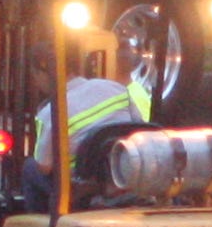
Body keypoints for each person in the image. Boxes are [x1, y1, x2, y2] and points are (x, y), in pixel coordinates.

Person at [29, 68, 154, 203]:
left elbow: (44, 167)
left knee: (29, 168)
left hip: (83, 188)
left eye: (35, 75)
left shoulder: (49, 113)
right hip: (126, 172)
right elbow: (139, 127)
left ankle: (48, 219)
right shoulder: (116, 88)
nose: (36, 82)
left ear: (43, 72)